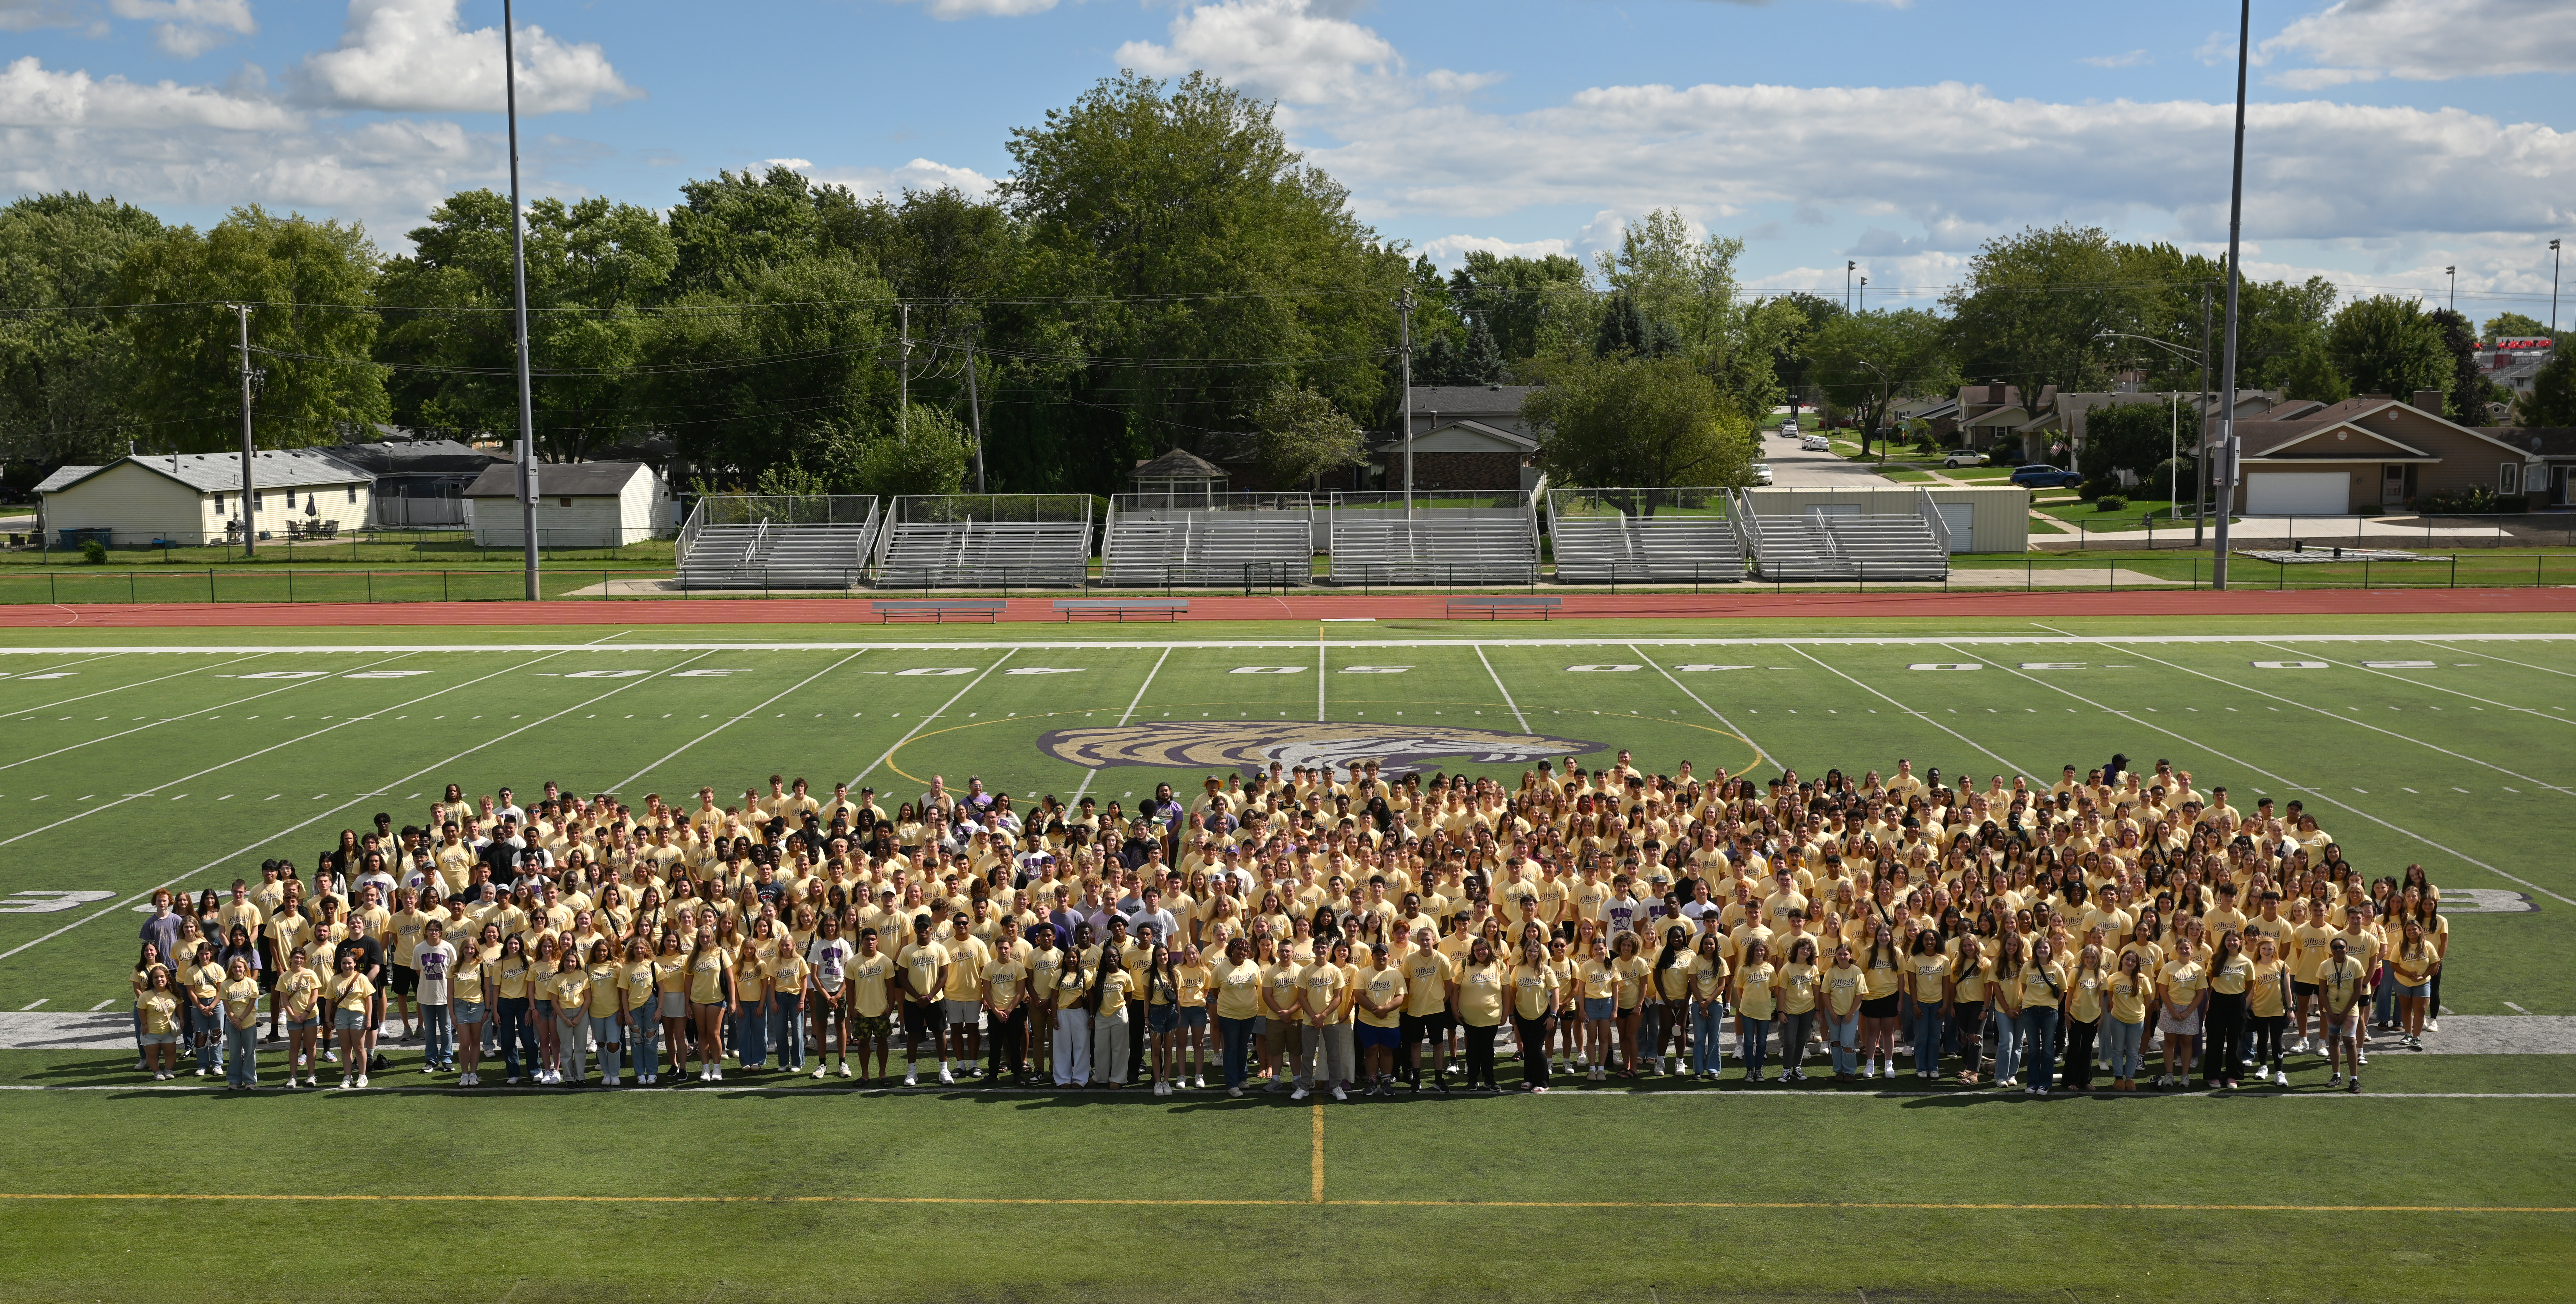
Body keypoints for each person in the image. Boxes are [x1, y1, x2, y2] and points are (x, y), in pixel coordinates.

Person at [1451, 938, 1506, 1092]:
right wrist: (1455, 1010)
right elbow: (1455, 989)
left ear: (1489, 949)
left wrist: (1506, 1014)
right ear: (1473, 952)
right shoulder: (1465, 964)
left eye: (1483, 949)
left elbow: (1507, 991)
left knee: (1488, 1049)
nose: (1480, 953)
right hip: (1469, 1017)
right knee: (1473, 1049)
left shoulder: (1499, 965)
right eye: (1477, 950)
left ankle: (1490, 1080)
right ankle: (1472, 1080)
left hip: (1492, 1016)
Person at [1507, 937, 1560, 1093]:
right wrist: (1511, 1014)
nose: (1532, 953)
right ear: (1525, 952)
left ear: (1540, 953)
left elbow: (1556, 992)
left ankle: (1543, 1082)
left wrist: (1553, 1015)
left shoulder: (1546, 970)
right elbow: (1512, 993)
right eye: (1529, 950)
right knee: (1528, 1049)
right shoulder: (1518, 969)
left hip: (1542, 1015)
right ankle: (1529, 1079)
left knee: (1536, 1048)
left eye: (1535, 951)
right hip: (1522, 1014)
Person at [2155, 935, 2207, 1091]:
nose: (2184, 951)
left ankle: (2185, 1075)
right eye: (2181, 949)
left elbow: (2201, 994)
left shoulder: (2198, 969)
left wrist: (2187, 1012)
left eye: (2187, 948)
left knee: (2187, 1044)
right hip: (2171, 1009)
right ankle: (2169, 1074)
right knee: (2170, 1043)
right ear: (2176, 950)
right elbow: (2163, 991)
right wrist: (2172, 1010)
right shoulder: (2168, 967)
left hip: (2189, 1011)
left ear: (2192, 950)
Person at [2202, 930, 2252, 1090]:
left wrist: (2239, 997)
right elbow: (2210, 980)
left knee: (2235, 1041)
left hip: (2237, 1003)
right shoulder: (2216, 959)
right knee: (2215, 1040)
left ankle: (2233, 1076)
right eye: (2229, 940)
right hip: (2218, 1002)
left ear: (2241, 943)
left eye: (2235, 940)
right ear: (2224, 942)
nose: (2232, 943)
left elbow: (2249, 986)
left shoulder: (2246, 962)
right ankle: (2213, 1075)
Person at [1212, 936, 1262, 1097]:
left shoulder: (1254, 966)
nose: (1243, 952)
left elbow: (1256, 985)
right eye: (1239, 949)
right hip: (1228, 1015)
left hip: (1250, 1013)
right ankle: (1232, 1084)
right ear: (1231, 950)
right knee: (1231, 1048)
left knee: (1243, 1047)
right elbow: (1214, 990)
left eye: (1245, 949)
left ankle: (1242, 1079)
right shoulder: (1220, 969)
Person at [1355, 941, 1406, 1096]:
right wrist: (1376, 1010)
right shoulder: (1363, 973)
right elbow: (1359, 994)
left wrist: (1385, 1010)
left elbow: (1401, 997)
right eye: (1377, 954)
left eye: (1383, 954)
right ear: (1372, 957)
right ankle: (1372, 1082)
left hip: (1390, 1022)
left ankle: (1385, 1082)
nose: (1380, 957)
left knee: (1387, 1051)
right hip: (1367, 1021)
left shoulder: (1397, 974)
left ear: (1389, 956)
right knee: (1370, 1051)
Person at [2016, 937, 2065, 1096]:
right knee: (2034, 1049)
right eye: (2039, 948)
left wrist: (2052, 1004)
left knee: (2048, 1049)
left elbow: (2063, 990)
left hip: (2049, 1012)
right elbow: (2024, 986)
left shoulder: (2057, 968)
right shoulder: (2028, 966)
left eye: (2045, 948)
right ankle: (2032, 1082)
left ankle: (2045, 1083)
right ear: (2035, 950)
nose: (2042, 950)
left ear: (2050, 950)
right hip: (2030, 1010)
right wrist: (2031, 1001)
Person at [2319, 935, 2368, 1093]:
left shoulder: (2355, 964)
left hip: (2350, 1010)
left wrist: (2344, 1013)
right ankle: (2336, 1075)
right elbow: (2322, 992)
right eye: (2335, 948)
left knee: (2350, 1042)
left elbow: (2359, 991)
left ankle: (2354, 1079)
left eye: (2342, 947)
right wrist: (2331, 1013)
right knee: (2333, 1040)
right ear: (2331, 950)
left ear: (2347, 948)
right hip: (2332, 1010)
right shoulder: (2325, 965)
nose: (2339, 950)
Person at [1902, 929, 1950, 1081]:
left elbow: (1946, 986)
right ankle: (1922, 1068)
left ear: (1937, 941)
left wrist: (1945, 1007)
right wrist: (1915, 1005)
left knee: (1935, 1038)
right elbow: (1912, 985)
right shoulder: (1915, 960)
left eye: (1932, 939)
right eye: (1926, 940)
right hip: (1921, 1004)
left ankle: (1933, 1067)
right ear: (1921, 942)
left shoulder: (1944, 960)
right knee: (1921, 1037)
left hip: (1938, 1004)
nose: (1930, 942)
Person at [2246, 935, 2292, 1088]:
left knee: (2277, 1041)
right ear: (2259, 949)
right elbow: (2251, 992)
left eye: (2270, 949)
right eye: (2264, 948)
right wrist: (2245, 1009)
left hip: (2279, 1010)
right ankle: (2263, 1067)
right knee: (2262, 1039)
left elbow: (2287, 989)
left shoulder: (2282, 965)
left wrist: (2291, 1009)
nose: (2267, 952)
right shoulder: (2253, 966)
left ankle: (2279, 1072)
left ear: (2274, 950)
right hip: (2259, 1010)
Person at [325, 950, 375, 1089]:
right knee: (346, 1048)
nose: (347, 966)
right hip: (341, 1015)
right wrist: (328, 1020)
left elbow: (369, 1000)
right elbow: (329, 1001)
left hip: (358, 1015)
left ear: (355, 964)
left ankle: (363, 1076)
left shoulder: (362, 978)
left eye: (349, 963)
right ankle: (347, 1077)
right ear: (340, 964)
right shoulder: (335, 979)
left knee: (359, 1047)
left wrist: (369, 1019)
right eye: (344, 963)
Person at [2061, 945, 2106, 1092]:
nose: (2090, 960)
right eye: (2087, 957)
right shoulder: (2075, 972)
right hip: (2075, 1015)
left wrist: (2102, 1016)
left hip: (2093, 1017)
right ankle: (2071, 1081)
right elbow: (2069, 996)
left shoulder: (2101, 974)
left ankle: (2085, 1081)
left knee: (2087, 1049)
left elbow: (2101, 998)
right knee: (2074, 1048)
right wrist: (2067, 1014)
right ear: (2083, 958)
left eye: (2093, 957)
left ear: (2098, 959)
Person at [1734, 938, 1777, 1083]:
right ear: (1751, 952)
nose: (1760, 953)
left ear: (1766, 952)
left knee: (1762, 1043)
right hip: (1747, 1011)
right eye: (1757, 950)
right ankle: (1749, 1071)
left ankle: (1759, 1070)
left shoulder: (1770, 968)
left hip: (1764, 1011)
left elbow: (1771, 989)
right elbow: (1740, 989)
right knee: (1748, 1042)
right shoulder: (1744, 969)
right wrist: (1745, 1003)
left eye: (1762, 950)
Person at [1687, 933, 1730, 1081]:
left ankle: (1713, 1069)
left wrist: (1708, 1002)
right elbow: (1693, 984)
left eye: (1711, 944)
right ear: (1702, 945)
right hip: (1699, 1003)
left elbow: (1722, 986)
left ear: (1716, 946)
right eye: (1706, 944)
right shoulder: (1696, 960)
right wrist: (1702, 1004)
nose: (1709, 946)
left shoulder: (1721, 962)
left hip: (1716, 1004)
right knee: (1699, 1039)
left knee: (1715, 1038)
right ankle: (1698, 1070)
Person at [1822, 943, 1864, 1081]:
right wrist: (1832, 1013)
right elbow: (1825, 994)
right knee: (1835, 1042)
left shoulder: (1857, 971)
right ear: (1836, 956)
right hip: (1833, 1013)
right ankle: (1839, 1071)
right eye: (1840, 954)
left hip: (1850, 1014)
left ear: (1851, 956)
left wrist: (1852, 1013)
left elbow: (1860, 994)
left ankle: (1850, 1072)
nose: (1843, 957)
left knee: (1847, 1042)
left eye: (1845, 954)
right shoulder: (1831, 971)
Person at [218, 956, 261, 1089]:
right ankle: (234, 1081)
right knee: (234, 1053)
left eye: (240, 967)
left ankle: (250, 1081)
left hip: (248, 1022)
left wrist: (241, 1020)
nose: (238, 969)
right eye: (235, 967)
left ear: (245, 969)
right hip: (232, 1024)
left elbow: (251, 1004)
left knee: (250, 1052)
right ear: (231, 969)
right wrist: (234, 1020)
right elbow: (226, 1005)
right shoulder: (225, 984)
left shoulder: (251, 983)